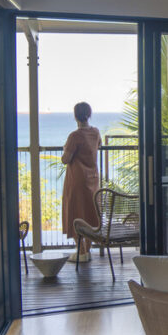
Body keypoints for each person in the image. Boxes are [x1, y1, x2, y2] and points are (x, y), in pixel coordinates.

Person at [62, 101, 101, 262]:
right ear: (89, 114)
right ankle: (87, 250)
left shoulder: (74, 136)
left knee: (75, 213)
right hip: (93, 179)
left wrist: (65, 150)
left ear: (75, 116)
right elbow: (98, 146)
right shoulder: (96, 132)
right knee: (90, 214)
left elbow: (66, 159)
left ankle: (82, 252)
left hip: (77, 181)